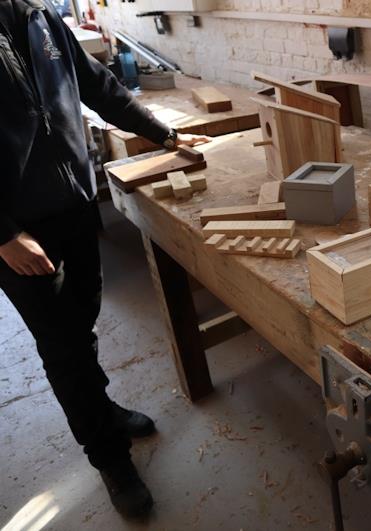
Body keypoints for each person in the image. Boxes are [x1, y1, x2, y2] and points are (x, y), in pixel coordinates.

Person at [0, 0, 209, 519]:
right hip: (17, 229)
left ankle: (105, 413)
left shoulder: (38, 16)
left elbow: (97, 86)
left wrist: (167, 134)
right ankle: (110, 458)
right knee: (62, 347)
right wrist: (2, 234)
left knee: (82, 322)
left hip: (73, 203)